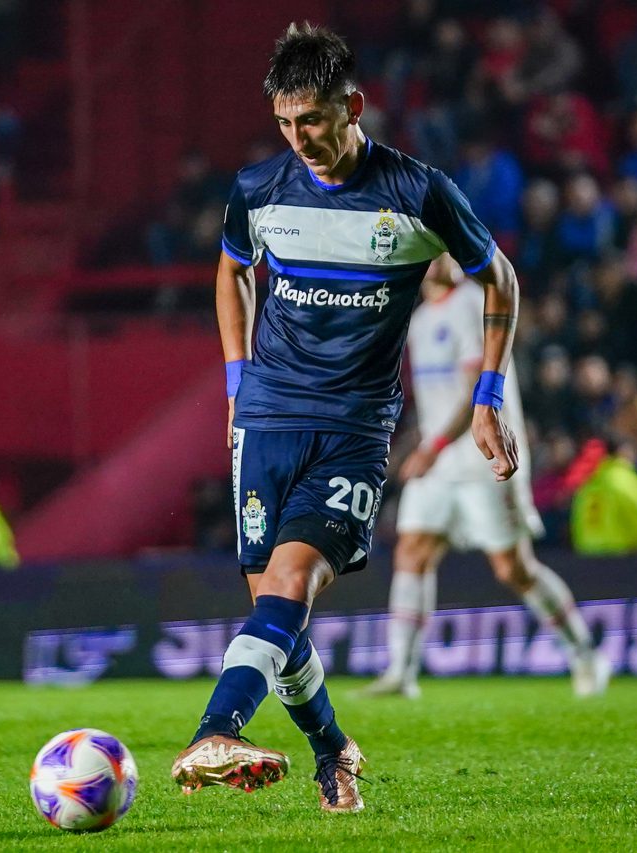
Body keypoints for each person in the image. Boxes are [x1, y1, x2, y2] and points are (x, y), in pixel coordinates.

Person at [170, 24, 520, 815]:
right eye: (285, 124)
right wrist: (235, 381)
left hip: (354, 430)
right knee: (276, 614)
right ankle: (334, 750)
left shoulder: (418, 192)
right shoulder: (260, 189)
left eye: (313, 121)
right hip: (265, 419)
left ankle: (214, 730)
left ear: (352, 108)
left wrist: (487, 398)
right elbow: (232, 270)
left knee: (290, 583)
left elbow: (499, 278)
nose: (299, 141)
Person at [364, 255, 610, 700]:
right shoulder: (420, 320)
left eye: (445, 250)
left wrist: (433, 447)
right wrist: (418, 446)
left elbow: (474, 392)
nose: (441, 258)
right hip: (440, 460)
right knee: (412, 551)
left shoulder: (474, 303)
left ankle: (585, 654)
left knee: (513, 568)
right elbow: (437, 401)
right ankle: (402, 672)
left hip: (486, 457)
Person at [570, 439, 637, 557]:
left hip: (586, 557)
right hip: (620, 558)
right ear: (624, 452)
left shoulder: (588, 485)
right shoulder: (630, 484)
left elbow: (576, 522)